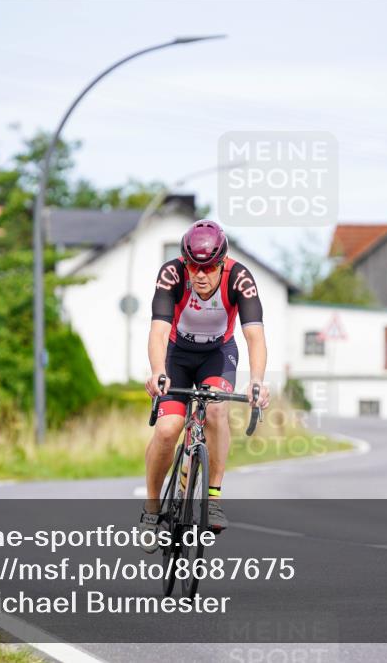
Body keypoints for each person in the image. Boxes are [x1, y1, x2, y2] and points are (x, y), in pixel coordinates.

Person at [139, 219, 270, 549]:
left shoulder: (239, 278)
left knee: (215, 411)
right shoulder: (172, 274)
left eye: (209, 267)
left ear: (222, 262)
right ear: (184, 262)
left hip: (217, 355)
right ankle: (152, 509)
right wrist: (157, 371)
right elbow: (158, 332)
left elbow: (255, 336)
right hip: (176, 355)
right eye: (193, 266)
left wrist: (257, 381)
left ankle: (212, 498)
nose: (200, 275)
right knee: (167, 429)